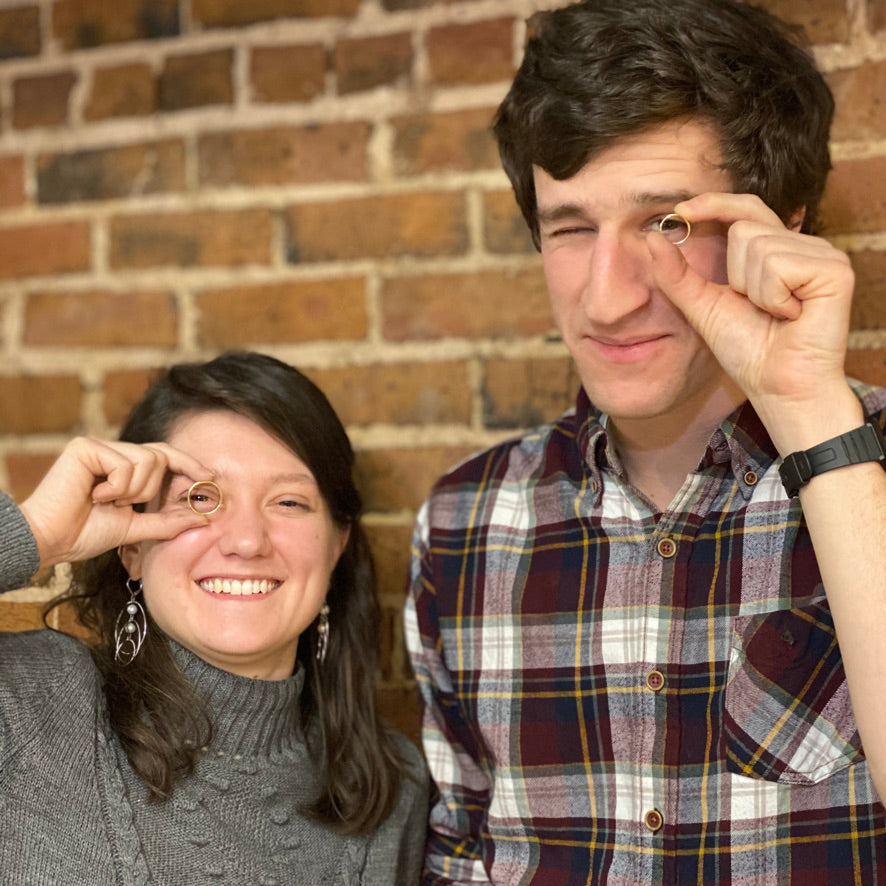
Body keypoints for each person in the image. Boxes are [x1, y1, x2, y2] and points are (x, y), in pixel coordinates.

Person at [404, 0, 886, 882]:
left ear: (781, 228)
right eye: (571, 228)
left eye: (666, 224)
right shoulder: (465, 525)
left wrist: (812, 418)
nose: (607, 297)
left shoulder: (872, 473)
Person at [0, 350, 428, 885]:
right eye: (202, 499)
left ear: (337, 543)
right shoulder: (30, 703)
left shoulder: (390, 787)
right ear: (130, 546)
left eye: (289, 502)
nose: (247, 541)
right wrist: (36, 534)